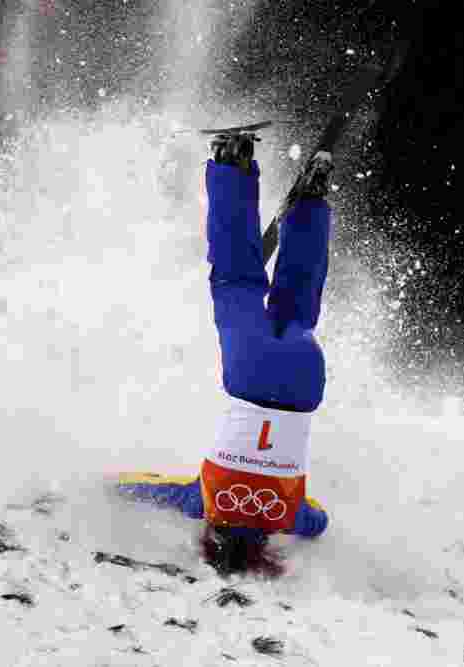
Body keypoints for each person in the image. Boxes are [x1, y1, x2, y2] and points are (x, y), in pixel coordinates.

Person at [117, 132, 333, 574]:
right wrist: (112, 485)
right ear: (211, 537)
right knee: (236, 278)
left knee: (299, 300)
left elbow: (319, 519)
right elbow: (151, 488)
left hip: (305, 381)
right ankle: (231, 162)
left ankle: (312, 200)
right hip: (250, 374)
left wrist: (281, 503)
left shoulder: (292, 518)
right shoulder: (206, 502)